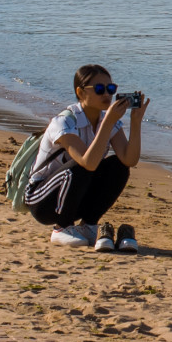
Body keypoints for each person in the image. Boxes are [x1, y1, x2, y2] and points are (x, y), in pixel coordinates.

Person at [26, 64, 146, 253]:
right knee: (83, 165)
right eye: (99, 89)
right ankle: (62, 228)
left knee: (118, 166)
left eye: (111, 89)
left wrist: (136, 122)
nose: (106, 94)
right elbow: (87, 162)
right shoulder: (65, 121)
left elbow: (129, 159)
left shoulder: (108, 120)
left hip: (75, 197)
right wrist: (108, 122)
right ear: (80, 93)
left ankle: (88, 225)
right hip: (42, 200)